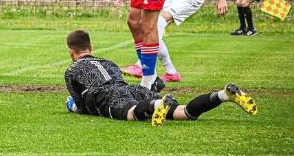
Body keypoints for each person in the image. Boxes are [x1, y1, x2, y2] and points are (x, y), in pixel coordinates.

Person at [64, 30, 258, 126]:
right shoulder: (108, 62)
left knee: (132, 114)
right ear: (91, 48)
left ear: (72, 53)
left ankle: (156, 105)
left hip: (107, 95)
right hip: (132, 88)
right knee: (183, 113)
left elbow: (81, 106)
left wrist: (73, 107)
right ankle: (223, 95)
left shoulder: (72, 70)